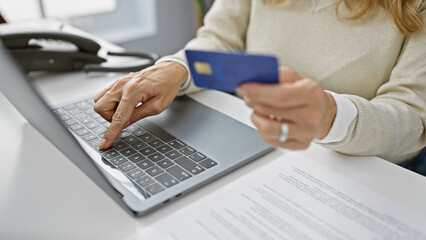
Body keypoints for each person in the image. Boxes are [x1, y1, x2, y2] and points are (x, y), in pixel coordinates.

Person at [94, 0, 426, 164]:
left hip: (356, 173)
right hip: (253, 149)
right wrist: (176, 68)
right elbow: (221, 38)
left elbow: (412, 117)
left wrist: (330, 116)